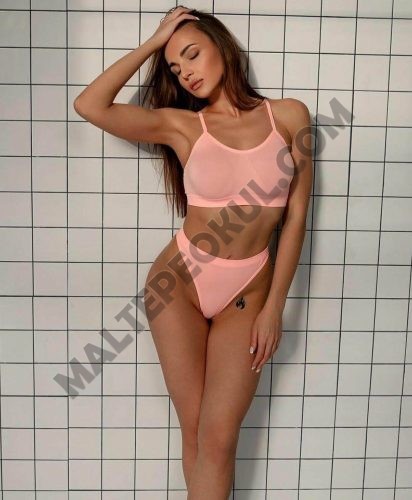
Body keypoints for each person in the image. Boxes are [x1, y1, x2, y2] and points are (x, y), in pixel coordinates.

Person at [73, 5, 313, 498]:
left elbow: (295, 220)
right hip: (176, 285)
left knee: (218, 439)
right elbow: (90, 105)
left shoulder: (289, 116)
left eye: (191, 54)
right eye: (175, 67)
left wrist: (274, 308)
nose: (185, 71)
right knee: (195, 431)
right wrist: (153, 42)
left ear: (221, 46)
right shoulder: (184, 126)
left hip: (248, 291)